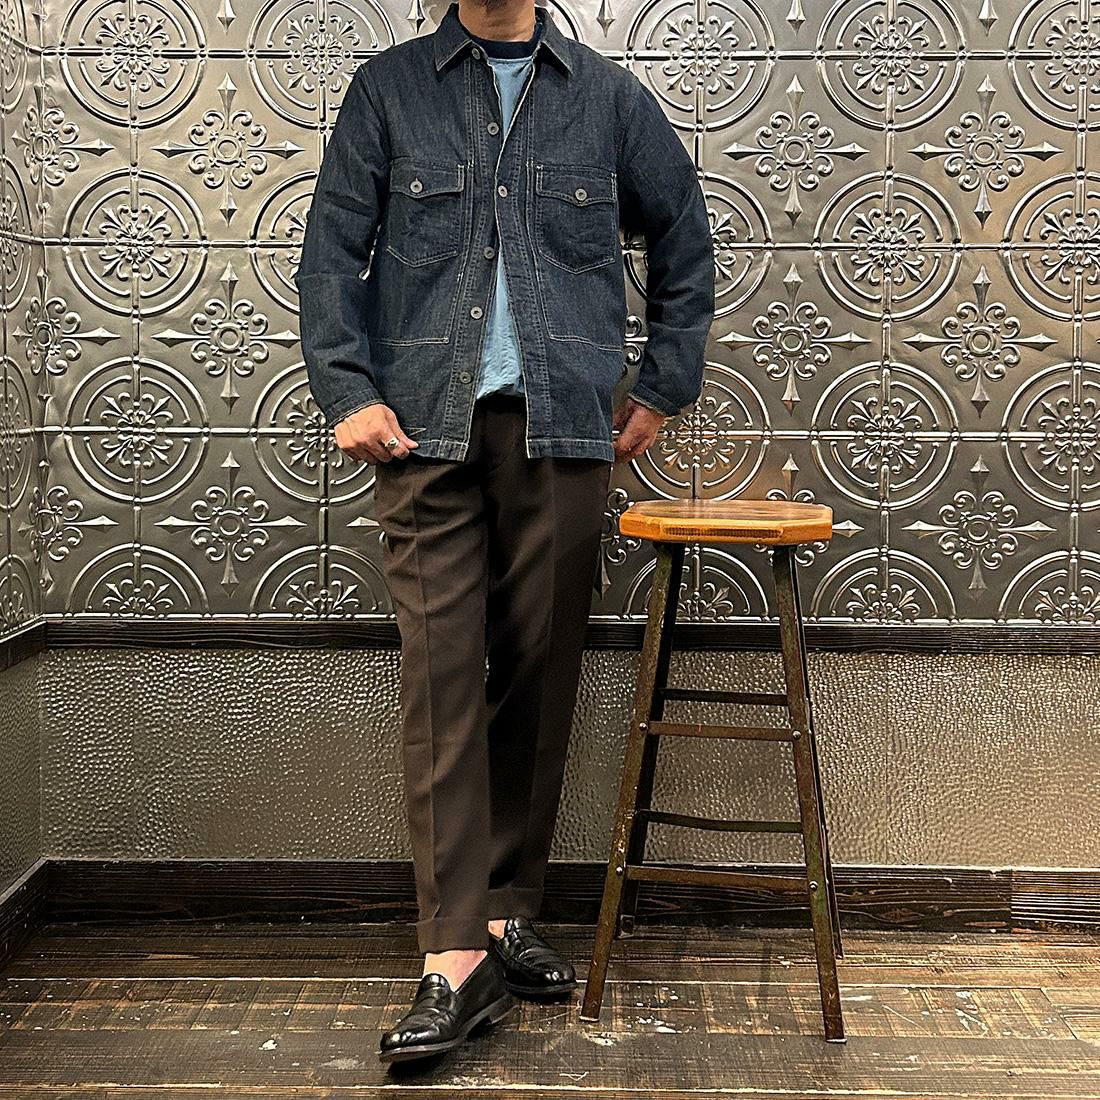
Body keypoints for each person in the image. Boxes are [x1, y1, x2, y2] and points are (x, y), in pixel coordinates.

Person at [294, 0, 715, 1066]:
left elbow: (684, 235)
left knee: (538, 667)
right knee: (440, 678)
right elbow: (329, 252)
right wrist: (346, 388)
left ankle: (503, 908)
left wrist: (660, 386)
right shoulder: (388, 90)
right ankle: (452, 957)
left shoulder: (609, 100)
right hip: (418, 435)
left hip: (562, 430)